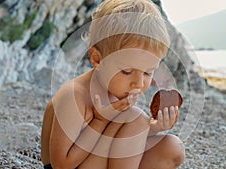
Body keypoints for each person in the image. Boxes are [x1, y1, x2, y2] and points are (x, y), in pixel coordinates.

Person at [41, 0, 185, 168]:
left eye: (147, 73)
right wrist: (100, 121)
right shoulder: (74, 96)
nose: (138, 83)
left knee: (172, 147)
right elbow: (61, 165)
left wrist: (154, 127)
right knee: (135, 119)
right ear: (97, 59)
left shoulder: (117, 89)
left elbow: (123, 138)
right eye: (127, 71)